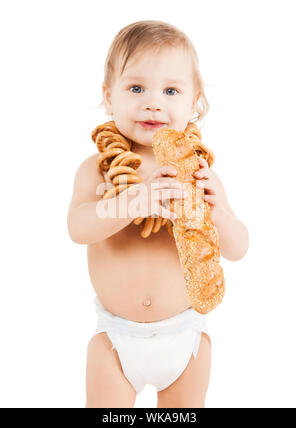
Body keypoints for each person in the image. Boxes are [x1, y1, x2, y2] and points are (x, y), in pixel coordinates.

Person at [67, 20, 249, 408]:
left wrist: (218, 212)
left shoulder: (200, 173)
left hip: (184, 336)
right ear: (108, 96)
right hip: (115, 342)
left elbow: (237, 248)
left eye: (170, 90)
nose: (153, 102)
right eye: (136, 88)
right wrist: (131, 202)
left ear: (194, 101)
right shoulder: (98, 169)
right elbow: (78, 228)